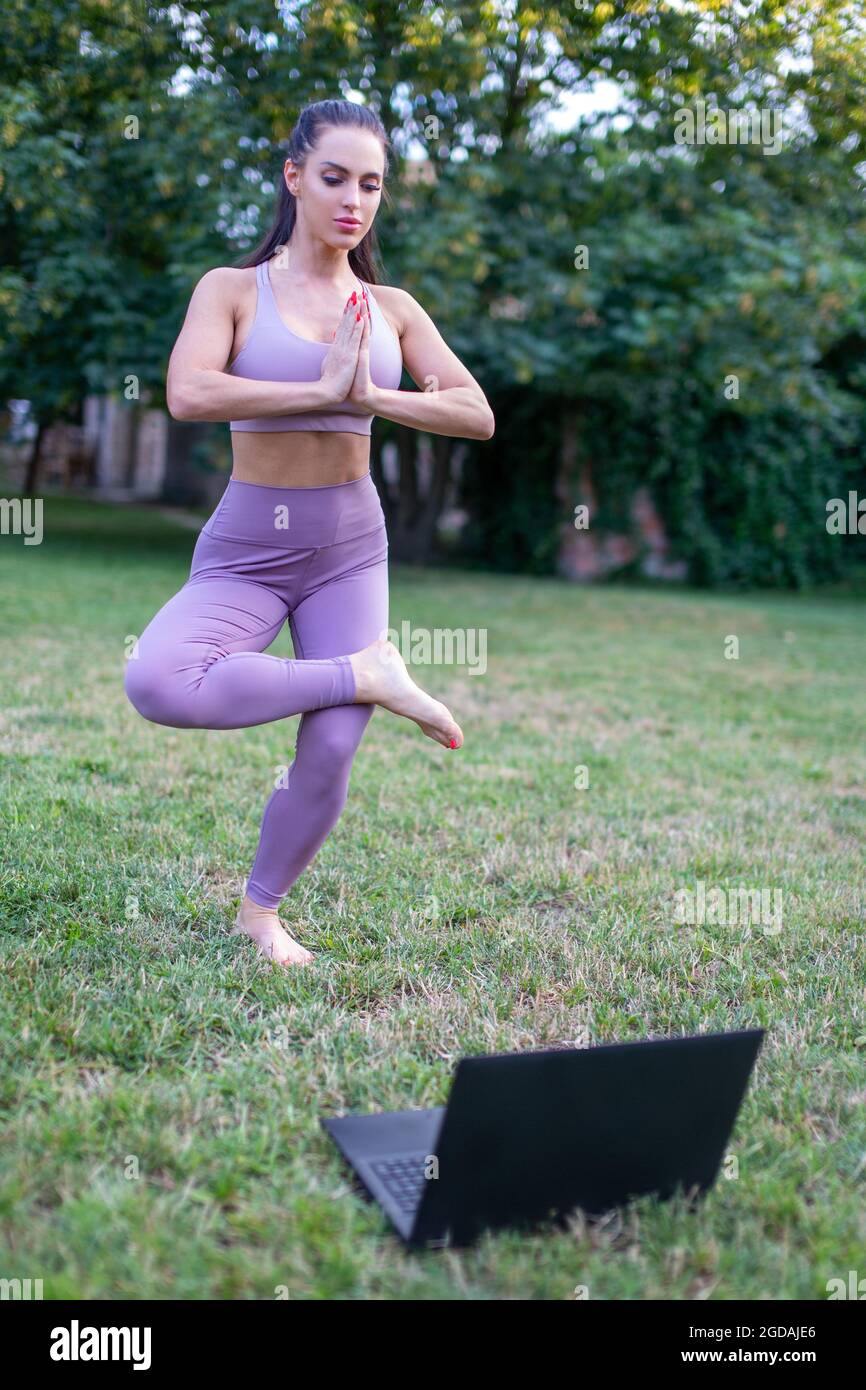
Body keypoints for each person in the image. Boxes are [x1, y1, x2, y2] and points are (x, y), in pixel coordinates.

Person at [124, 98, 495, 966]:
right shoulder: (230, 290)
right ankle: (365, 673)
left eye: (371, 184)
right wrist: (321, 392)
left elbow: (474, 413)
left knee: (330, 747)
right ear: (294, 178)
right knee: (160, 682)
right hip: (249, 547)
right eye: (333, 177)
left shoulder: (392, 307)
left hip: (348, 550)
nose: (352, 199)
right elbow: (190, 393)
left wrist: (371, 398)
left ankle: (262, 915)